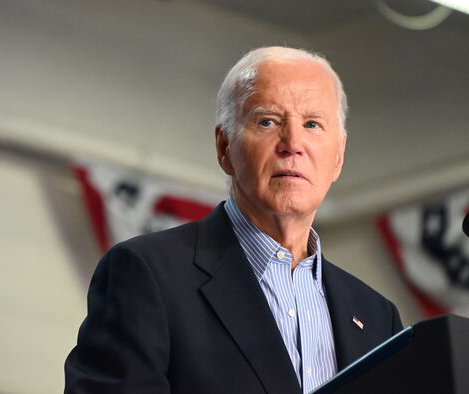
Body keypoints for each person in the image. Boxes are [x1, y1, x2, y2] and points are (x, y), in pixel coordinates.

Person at [64, 46, 403, 394]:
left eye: (312, 124)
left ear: (338, 157)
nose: (293, 143)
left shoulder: (378, 317)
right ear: (224, 147)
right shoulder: (147, 274)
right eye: (268, 121)